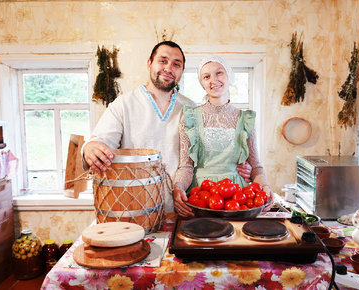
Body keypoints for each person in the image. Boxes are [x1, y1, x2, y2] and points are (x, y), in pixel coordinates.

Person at [82, 41, 251, 213]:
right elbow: (101, 141)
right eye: (163, 61)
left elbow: (208, 157)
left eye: (176, 64)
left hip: (181, 208)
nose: (169, 68)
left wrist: (241, 166)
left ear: (182, 72)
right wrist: (90, 147)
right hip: (134, 206)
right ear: (149, 63)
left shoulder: (191, 110)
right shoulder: (124, 104)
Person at [173, 55, 272, 217]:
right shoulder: (190, 117)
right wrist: (178, 188)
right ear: (202, 83)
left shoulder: (245, 119)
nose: (213, 80)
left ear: (229, 77)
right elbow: (186, 166)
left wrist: (265, 187)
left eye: (219, 73)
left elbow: (255, 166)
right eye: (206, 76)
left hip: (237, 196)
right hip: (201, 195)